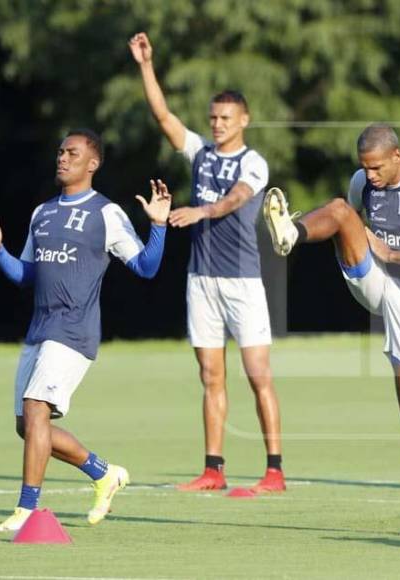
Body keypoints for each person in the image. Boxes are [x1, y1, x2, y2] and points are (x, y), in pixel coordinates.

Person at [263, 124, 400, 536]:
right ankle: (290, 233)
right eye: (363, 168)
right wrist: (370, 250)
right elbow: (350, 225)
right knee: (339, 209)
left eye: (375, 168)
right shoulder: (360, 182)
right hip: (374, 280)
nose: (368, 176)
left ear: (396, 156)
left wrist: (390, 252)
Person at [0, 129, 171, 531]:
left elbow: (146, 267)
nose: (62, 158)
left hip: (73, 331)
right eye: (60, 152)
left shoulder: (106, 213)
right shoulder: (42, 213)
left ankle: (26, 511)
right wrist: (0, 251)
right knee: (29, 426)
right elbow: (26, 275)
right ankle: (104, 474)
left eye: (72, 153)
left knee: (36, 411)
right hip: (39, 330)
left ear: (93, 163)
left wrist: (159, 225)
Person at [129, 32, 285, 493]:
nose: (217, 124)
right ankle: (213, 469)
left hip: (242, 282)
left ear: (244, 120)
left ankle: (274, 470)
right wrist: (145, 65)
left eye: (225, 118)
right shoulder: (199, 153)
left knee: (258, 375)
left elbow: (236, 199)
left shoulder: (253, 163)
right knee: (210, 375)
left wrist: (200, 210)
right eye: (213, 117)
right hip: (201, 281)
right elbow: (162, 115)